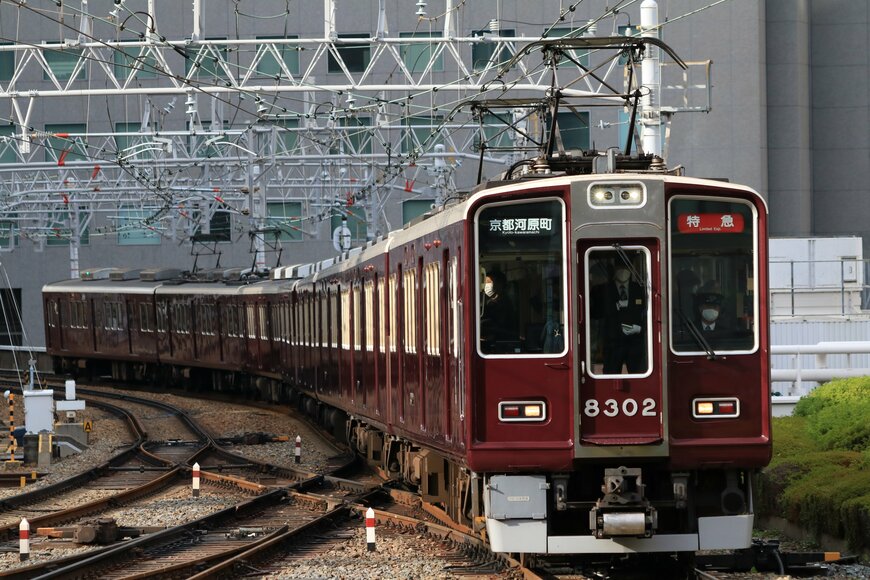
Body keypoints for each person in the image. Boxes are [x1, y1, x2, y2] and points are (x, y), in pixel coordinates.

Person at [591, 266, 647, 373]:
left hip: (634, 344)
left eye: (626, 268)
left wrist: (640, 329)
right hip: (612, 343)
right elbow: (595, 314)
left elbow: (648, 313)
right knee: (611, 378)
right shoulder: (602, 290)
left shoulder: (639, 289)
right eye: (619, 268)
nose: (622, 271)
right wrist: (614, 307)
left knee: (638, 378)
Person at [480, 269, 516, 351]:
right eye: (485, 283)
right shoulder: (490, 301)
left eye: (489, 283)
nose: (486, 285)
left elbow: (498, 324)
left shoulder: (503, 302)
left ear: (500, 284)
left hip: (501, 342)